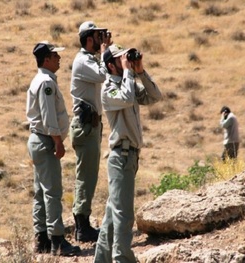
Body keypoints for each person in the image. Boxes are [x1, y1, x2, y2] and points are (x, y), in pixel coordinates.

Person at [93, 44, 162, 263]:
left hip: (130, 156)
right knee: (124, 216)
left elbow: (154, 96)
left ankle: (101, 259)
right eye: (121, 59)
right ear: (111, 64)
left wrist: (140, 71)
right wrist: (129, 73)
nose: (126, 61)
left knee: (113, 216)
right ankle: (122, 257)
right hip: (120, 157)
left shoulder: (128, 83)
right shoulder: (108, 89)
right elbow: (126, 99)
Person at [26, 41, 81, 257]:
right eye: (55, 55)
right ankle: (57, 240)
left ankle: (41, 240)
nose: (59, 58)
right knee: (52, 192)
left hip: (38, 140)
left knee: (41, 192)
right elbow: (49, 116)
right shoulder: (46, 83)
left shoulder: (39, 79)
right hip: (46, 140)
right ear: (46, 59)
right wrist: (58, 141)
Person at [69, 21, 112, 243]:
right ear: (88, 39)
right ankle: (82, 227)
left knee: (89, 175)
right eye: (97, 36)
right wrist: (105, 53)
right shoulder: (83, 62)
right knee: (86, 176)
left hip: (90, 126)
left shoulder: (89, 60)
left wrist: (105, 51)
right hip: (85, 126)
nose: (101, 39)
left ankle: (83, 223)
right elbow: (104, 75)